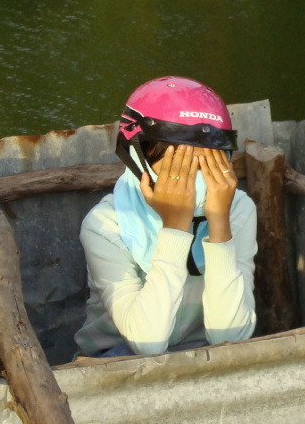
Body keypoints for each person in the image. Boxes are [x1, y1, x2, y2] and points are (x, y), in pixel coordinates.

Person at [74, 76, 257, 358]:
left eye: (207, 165)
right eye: (178, 169)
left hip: (205, 354)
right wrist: (175, 226)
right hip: (116, 357)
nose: (192, 183)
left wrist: (219, 223)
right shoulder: (106, 225)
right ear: (137, 159)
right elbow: (147, 343)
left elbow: (231, 338)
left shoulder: (238, 209)